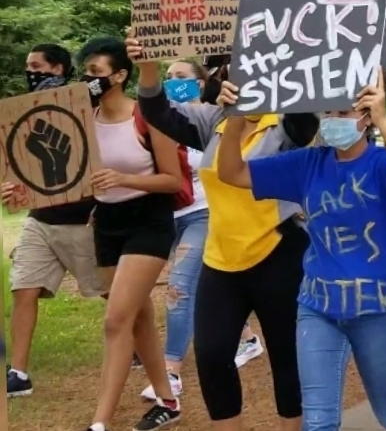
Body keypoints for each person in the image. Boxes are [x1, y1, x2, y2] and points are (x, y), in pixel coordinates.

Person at [216, 69, 386, 431]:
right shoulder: (307, 163)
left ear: (364, 116)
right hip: (319, 309)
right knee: (317, 421)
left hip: (379, 310)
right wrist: (236, 120)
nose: (333, 121)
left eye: (343, 112)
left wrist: (385, 122)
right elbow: (232, 173)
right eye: (327, 112)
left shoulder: (381, 163)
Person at [127, 37, 318, 431]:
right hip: (222, 257)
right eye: (237, 67)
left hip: (279, 252)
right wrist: (147, 66)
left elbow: (305, 124)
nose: (244, 74)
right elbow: (157, 111)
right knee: (213, 355)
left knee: (287, 356)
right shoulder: (214, 120)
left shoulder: (285, 124)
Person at [139, 59, 262, 403]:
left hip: (205, 214)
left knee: (179, 287)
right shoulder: (163, 123)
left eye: (181, 77)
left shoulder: (215, 116)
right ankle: (248, 338)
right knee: (209, 286)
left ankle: (171, 372)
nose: (173, 82)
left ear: (200, 81)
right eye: (168, 77)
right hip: (170, 216)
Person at [77, 37, 185, 431]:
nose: (87, 78)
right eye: (84, 71)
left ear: (120, 75)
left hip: (148, 221)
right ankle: (168, 400)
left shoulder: (148, 116)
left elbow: (172, 179)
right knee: (137, 318)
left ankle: (100, 422)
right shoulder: (82, 119)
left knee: (115, 320)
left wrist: (124, 178)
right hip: (106, 222)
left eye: (95, 72)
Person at [5, 44, 102, 399]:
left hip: (82, 220)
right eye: (27, 65)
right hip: (39, 221)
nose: (30, 72)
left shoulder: (85, 103)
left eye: (36, 65)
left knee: (111, 292)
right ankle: (18, 372)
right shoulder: (21, 114)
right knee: (23, 289)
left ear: (58, 69)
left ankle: (138, 345)